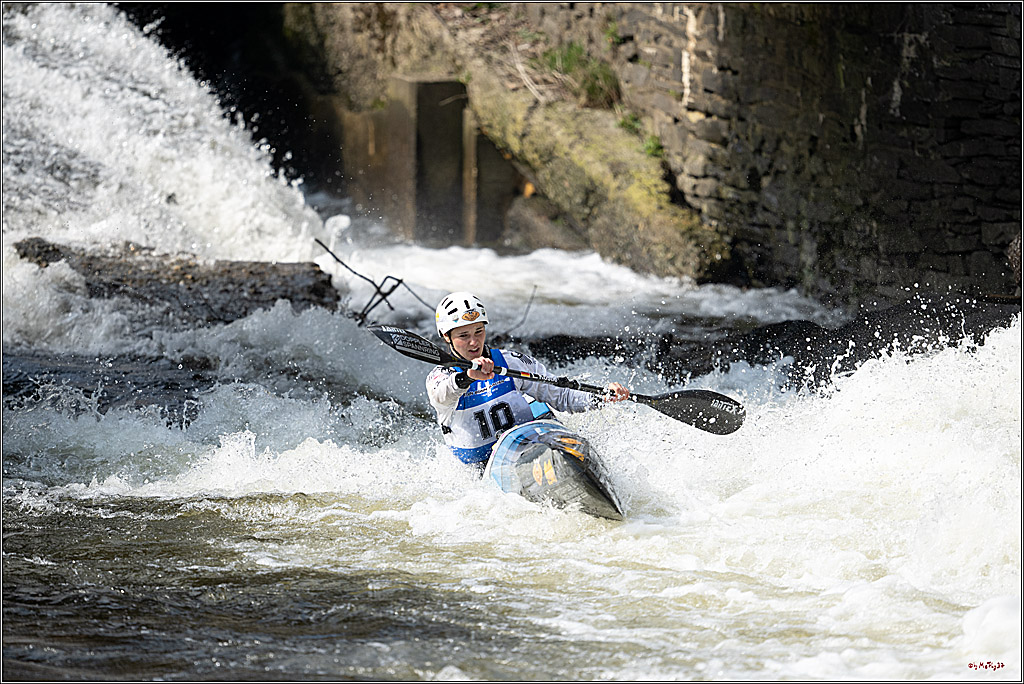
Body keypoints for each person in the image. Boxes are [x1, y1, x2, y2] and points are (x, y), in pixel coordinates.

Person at [426, 291, 630, 466]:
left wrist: (602, 396)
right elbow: (442, 395)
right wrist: (468, 377)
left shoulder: (510, 362)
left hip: (529, 447)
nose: (474, 342)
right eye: (463, 335)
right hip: (480, 466)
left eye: (479, 331)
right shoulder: (441, 377)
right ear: (446, 336)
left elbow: (562, 396)